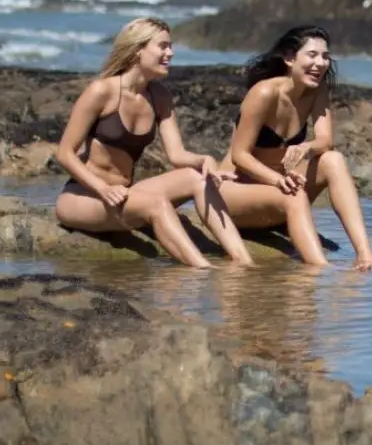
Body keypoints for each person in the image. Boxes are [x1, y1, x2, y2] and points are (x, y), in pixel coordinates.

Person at [53, 16, 252, 268]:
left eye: (170, 46)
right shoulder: (101, 91)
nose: (171, 52)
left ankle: (244, 262)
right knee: (157, 204)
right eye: (163, 46)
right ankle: (202, 270)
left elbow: (177, 155)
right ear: (138, 50)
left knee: (198, 178)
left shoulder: (159, 96)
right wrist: (103, 189)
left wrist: (205, 160)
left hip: (126, 196)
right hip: (84, 197)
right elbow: (65, 154)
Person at [220, 25, 372, 270]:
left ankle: (365, 255)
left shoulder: (316, 91)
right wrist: (277, 181)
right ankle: (319, 270)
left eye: (325, 56)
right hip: (237, 192)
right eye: (312, 55)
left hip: (278, 192)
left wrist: (307, 147)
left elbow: (325, 141)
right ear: (290, 58)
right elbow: (239, 155)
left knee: (333, 160)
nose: (320, 63)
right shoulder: (264, 93)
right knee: (293, 194)